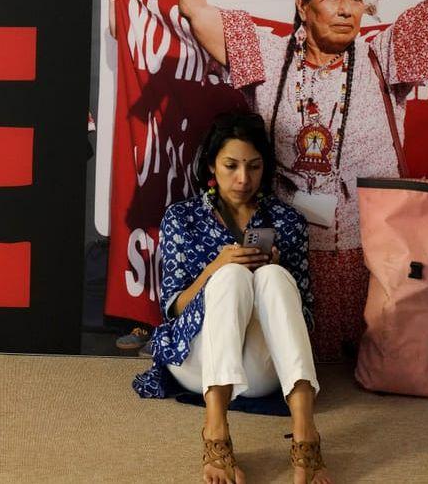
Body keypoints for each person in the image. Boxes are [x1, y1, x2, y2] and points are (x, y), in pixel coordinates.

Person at [174, 0, 428, 361]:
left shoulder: (383, 56)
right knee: (284, 364)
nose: (347, 8)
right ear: (303, 6)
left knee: (376, 368)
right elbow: (195, 9)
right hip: (286, 247)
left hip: (372, 248)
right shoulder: (267, 57)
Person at [134, 111, 328, 484]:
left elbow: (306, 316)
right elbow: (172, 309)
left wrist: (276, 270)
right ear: (211, 165)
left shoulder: (286, 222)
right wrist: (215, 268)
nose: (243, 179)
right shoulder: (182, 218)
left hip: (261, 370)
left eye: (254, 167)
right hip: (199, 363)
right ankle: (215, 432)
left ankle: (306, 434)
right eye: (231, 165)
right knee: (231, 276)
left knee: (271, 275)